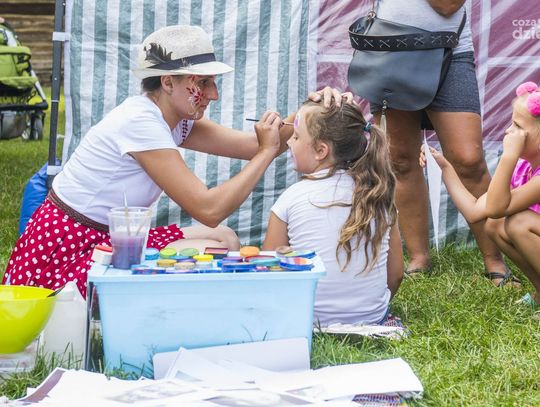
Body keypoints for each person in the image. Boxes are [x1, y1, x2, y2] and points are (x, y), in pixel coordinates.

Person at [2, 25, 347, 297]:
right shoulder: (141, 123)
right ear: (168, 82)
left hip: (106, 240)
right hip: (63, 258)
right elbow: (209, 208)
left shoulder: (170, 119)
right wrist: (267, 152)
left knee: (225, 238)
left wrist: (310, 111)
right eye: (203, 83)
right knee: (213, 244)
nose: (213, 94)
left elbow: (250, 144)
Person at [371, 0, 513, 285]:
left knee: (468, 160)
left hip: (449, 51)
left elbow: (447, 6)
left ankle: (495, 259)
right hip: (389, 51)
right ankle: (418, 258)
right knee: (400, 160)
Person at [262, 96, 404, 326]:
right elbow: (396, 275)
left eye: (296, 137)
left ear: (321, 150)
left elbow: (269, 273)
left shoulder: (291, 197)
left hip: (305, 321)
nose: (288, 142)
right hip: (371, 318)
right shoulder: (379, 196)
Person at [420, 81, 540, 304]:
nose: (508, 131)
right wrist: (445, 168)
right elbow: (477, 211)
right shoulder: (524, 168)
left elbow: (495, 208)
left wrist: (508, 157)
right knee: (495, 225)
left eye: (517, 126)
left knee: (519, 223)